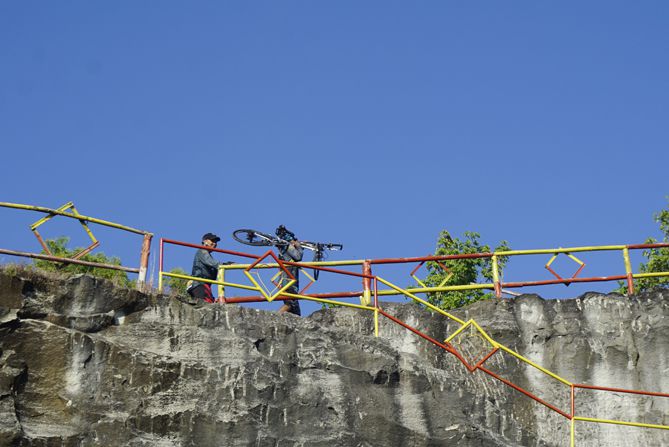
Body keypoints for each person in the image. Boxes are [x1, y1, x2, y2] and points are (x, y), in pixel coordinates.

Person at [187, 233, 230, 304]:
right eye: (212, 241)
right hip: (199, 284)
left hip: (202, 285)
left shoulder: (206, 254)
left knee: (208, 303)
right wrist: (224, 265)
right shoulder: (202, 251)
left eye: (216, 242)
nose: (215, 243)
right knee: (206, 305)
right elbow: (212, 262)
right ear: (205, 241)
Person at [275, 225, 303, 316]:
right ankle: (276, 317)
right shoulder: (287, 246)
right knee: (291, 304)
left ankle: (277, 317)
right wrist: (299, 246)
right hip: (288, 282)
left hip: (285, 282)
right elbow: (298, 256)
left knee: (295, 310)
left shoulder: (283, 248)